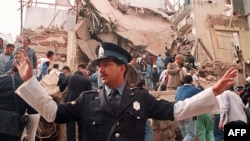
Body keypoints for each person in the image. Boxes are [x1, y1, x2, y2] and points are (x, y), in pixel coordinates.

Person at [14, 42, 237, 141]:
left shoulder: (141, 98)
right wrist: (31, 81)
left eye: (107, 64)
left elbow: (177, 110)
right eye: (99, 65)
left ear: (122, 68)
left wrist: (213, 92)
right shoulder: (86, 100)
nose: (100, 69)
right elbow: (52, 113)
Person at [0, 66, 37, 141]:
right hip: (12, 129)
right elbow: (33, 113)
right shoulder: (27, 86)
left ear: (12, 70)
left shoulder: (1, 79)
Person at [64, 70, 92, 141]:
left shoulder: (70, 77)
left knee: (70, 124)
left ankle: (71, 139)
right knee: (82, 124)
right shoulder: (87, 80)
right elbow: (89, 93)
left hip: (70, 102)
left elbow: (62, 86)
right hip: (81, 103)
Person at [175, 75, 201, 141]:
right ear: (192, 82)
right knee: (191, 134)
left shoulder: (178, 90)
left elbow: (176, 98)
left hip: (178, 112)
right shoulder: (194, 90)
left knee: (185, 135)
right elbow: (202, 96)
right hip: (188, 112)